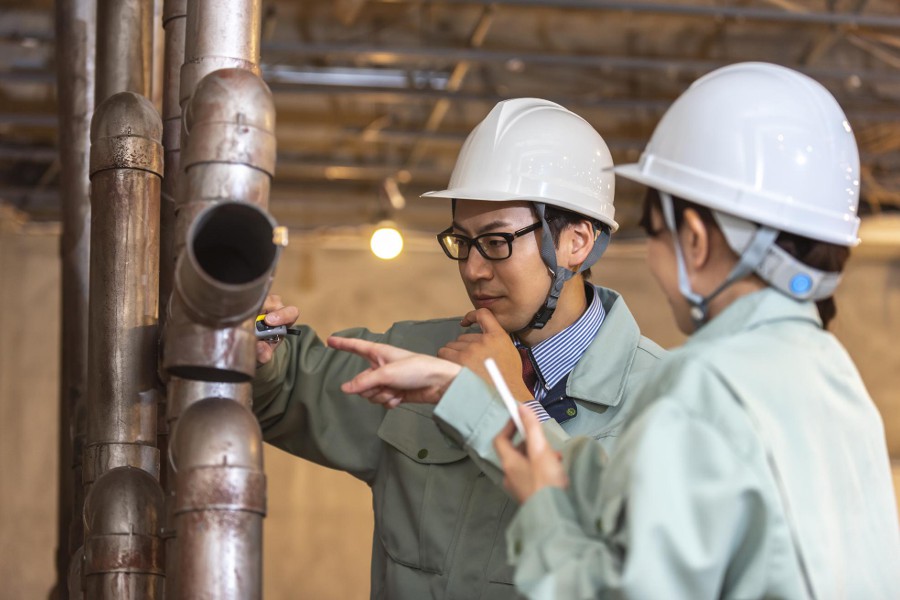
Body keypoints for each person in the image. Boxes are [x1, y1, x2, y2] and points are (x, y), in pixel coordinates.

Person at [334, 63, 900, 599]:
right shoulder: (837, 386)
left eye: (654, 232)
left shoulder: (704, 384)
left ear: (696, 239)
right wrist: (480, 402)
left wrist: (541, 503)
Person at [253, 98, 665, 598]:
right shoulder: (421, 355)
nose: (472, 268)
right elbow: (288, 388)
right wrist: (260, 349)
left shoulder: (668, 404)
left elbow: (642, 561)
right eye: (462, 242)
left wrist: (512, 403)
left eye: (496, 242)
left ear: (576, 242)